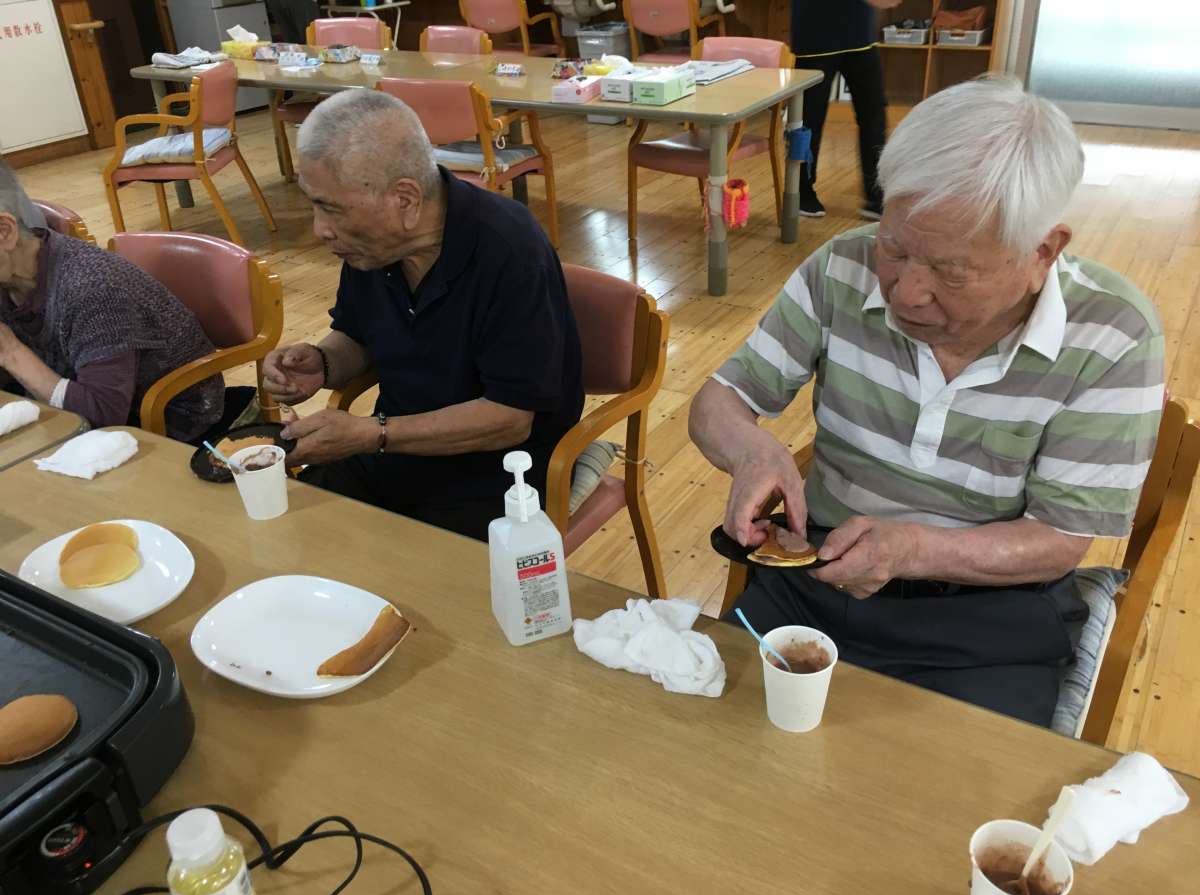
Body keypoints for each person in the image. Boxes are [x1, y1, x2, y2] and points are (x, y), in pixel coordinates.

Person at [688, 77, 1165, 727]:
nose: (906, 291)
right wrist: (751, 450)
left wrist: (911, 549)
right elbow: (721, 399)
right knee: (703, 747)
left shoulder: (1112, 334)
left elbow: (1057, 540)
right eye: (895, 245)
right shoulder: (842, 270)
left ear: (1043, 252)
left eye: (950, 269)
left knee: (939, 811)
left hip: (986, 621)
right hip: (817, 582)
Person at [264, 90, 583, 541]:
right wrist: (324, 362)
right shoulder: (369, 248)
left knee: (416, 583)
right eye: (315, 204)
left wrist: (368, 433)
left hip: (502, 471)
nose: (320, 229)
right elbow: (356, 335)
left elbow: (510, 418)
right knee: (297, 533)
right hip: (396, 446)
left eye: (330, 209)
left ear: (406, 200)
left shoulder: (510, 251)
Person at [0, 161, 223, 442]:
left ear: (4, 231)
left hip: (168, 422)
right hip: (73, 409)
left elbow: (104, 416)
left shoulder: (93, 288)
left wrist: (10, 353)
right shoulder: (10, 273)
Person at [791, 0, 901, 219]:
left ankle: (875, 195)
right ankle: (800, 191)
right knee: (807, 119)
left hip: (860, 36)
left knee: (874, 115)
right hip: (814, 35)